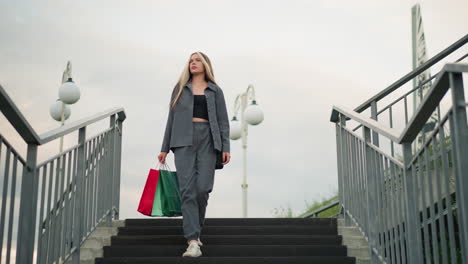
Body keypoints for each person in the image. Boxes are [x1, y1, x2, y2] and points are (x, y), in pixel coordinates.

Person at [157, 51, 231, 257]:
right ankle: (193, 240)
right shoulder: (179, 89)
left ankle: (195, 232)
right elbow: (170, 120)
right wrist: (164, 148)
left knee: (202, 189)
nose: (193, 63)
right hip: (182, 141)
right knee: (187, 190)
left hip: (208, 139)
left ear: (206, 64)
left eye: (198, 60)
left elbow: (224, 121)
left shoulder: (216, 91)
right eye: (190, 61)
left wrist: (226, 146)